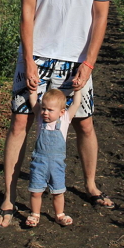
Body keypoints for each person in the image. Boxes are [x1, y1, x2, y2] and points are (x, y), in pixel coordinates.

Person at [0, 0, 113, 229]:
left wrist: (88, 64)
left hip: (76, 61)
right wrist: (28, 61)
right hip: (38, 57)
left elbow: (100, 18)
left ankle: (90, 185)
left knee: (84, 123)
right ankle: (8, 199)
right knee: (20, 122)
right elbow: (26, 14)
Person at [25, 88, 82, 227]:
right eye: (44, 108)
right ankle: (35, 214)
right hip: (39, 163)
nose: (45, 112)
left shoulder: (64, 119)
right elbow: (33, 100)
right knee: (36, 192)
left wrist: (78, 90)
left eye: (50, 110)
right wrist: (33, 88)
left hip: (57, 164)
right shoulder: (39, 117)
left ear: (61, 112)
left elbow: (76, 103)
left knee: (58, 192)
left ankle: (59, 214)